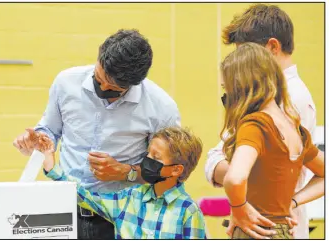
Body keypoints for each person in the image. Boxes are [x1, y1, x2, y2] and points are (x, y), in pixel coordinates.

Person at [12, 29, 181, 239]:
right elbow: (49, 130)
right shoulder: (66, 83)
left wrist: (125, 172)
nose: (102, 88)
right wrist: (36, 139)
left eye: (112, 89)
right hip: (64, 209)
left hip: (122, 217)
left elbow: (168, 172)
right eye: (97, 79)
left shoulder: (162, 108)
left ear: (135, 83)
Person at [205, 4, 317, 239]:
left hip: (259, 226)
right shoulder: (287, 120)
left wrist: (238, 205)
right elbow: (217, 161)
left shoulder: (261, 120)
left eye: (246, 59)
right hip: (278, 225)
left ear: (271, 48)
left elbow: (235, 175)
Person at [220, 43, 324, 239]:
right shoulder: (295, 129)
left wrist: (239, 208)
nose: (226, 97)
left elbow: (235, 178)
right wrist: (292, 202)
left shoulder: (255, 124)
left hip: (254, 230)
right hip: (283, 232)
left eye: (227, 88)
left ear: (242, 86)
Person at [34, 126, 206, 239]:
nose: (147, 159)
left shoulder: (188, 211)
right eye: (148, 153)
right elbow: (85, 197)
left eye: (156, 157)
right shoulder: (130, 197)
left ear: (176, 170)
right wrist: (51, 164)